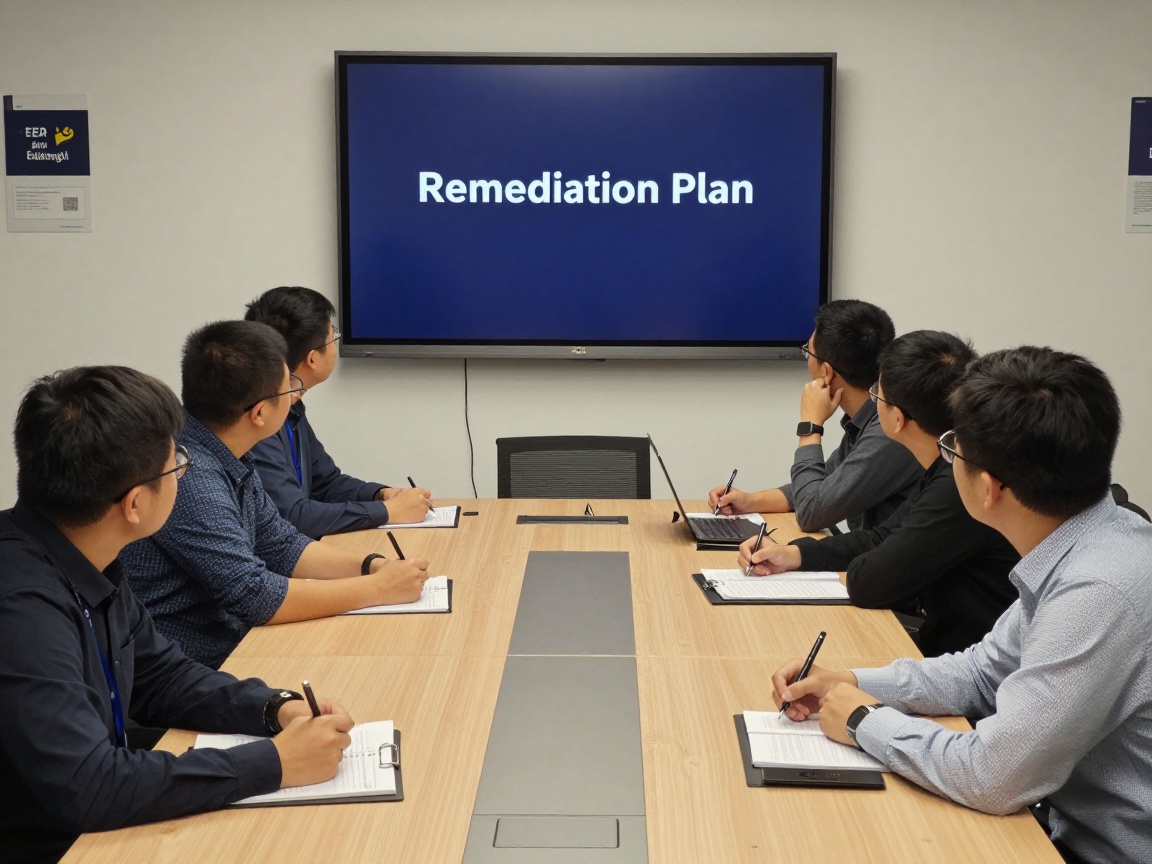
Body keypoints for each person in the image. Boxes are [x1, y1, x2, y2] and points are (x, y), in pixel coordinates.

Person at [769, 347, 1151, 864]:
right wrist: (853, 683)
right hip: (1057, 824)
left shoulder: (1097, 591)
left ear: (990, 489)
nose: (947, 459)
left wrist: (864, 721)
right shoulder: (1092, 537)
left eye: (954, 449)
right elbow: (981, 673)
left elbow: (994, 777)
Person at [0, 366, 356, 864]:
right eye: (177, 465)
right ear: (135, 504)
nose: (183, 474)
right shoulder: (21, 605)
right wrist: (274, 763)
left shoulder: (85, 554)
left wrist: (274, 708)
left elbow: (162, 675)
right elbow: (88, 788)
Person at [122, 321, 430, 669]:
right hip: (200, 666)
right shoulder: (192, 476)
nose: (295, 397)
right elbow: (254, 595)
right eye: (289, 391)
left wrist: (371, 566)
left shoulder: (227, 450)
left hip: (238, 643)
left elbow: (282, 545)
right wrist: (378, 590)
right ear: (260, 413)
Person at [740, 331, 1019, 656]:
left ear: (897, 418)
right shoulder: (949, 464)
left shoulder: (961, 484)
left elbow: (869, 582)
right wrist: (795, 554)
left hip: (964, 667)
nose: (872, 402)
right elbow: (883, 536)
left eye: (878, 395)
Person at [710, 299, 920, 532]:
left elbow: (812, 513)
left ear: (826, 371)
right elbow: (821, 487)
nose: (806, 357)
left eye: (807, 351)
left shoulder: (889, 431)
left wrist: (810, 426)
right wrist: (748, 502)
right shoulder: (868, 418)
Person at [244, 286, 431, 538]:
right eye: (334, 337)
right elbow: (293, 517)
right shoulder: (258, 418)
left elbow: (326, 484)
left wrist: (382, 495)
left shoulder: (292, 406)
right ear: (312, 358)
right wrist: (387, 511)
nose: (336, 344)